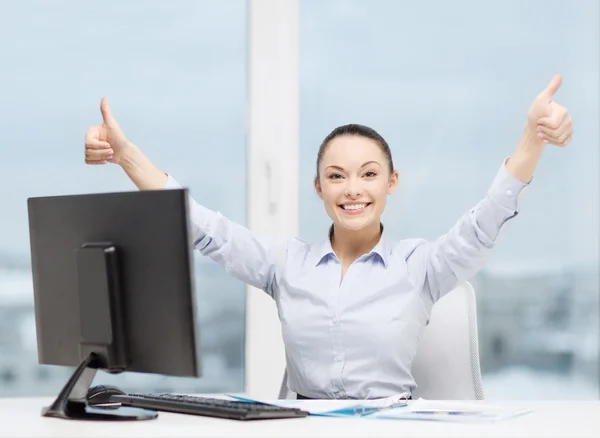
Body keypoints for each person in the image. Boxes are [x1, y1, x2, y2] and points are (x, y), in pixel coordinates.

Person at [84, 75, 573, 400]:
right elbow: (204, 229)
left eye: (368, 174)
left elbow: (484, 224)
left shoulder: (421, 266)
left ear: (390, 182)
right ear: (319, 189)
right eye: (337, 176)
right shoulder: (286, 265)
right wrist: (127, 158)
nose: (353, 189)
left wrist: (532, 139)